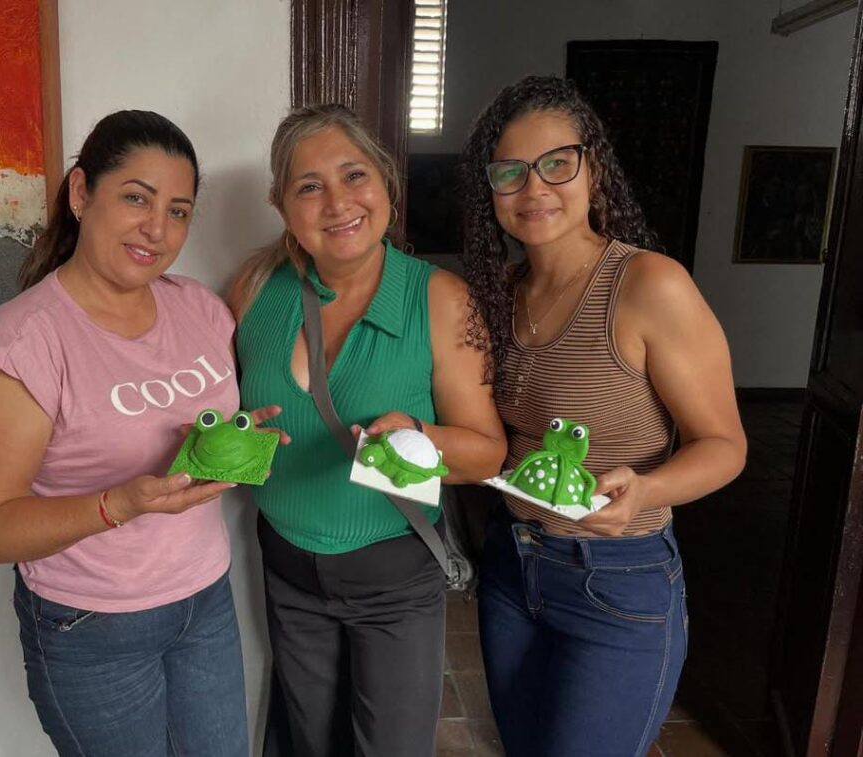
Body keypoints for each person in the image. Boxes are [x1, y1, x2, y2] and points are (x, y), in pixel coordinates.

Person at [0, 110, 273, 757]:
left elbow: (197, 431)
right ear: (80, 192)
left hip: (204, 598)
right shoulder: (21, 345)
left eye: (178, 211)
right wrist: (117, 504)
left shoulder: (201, 310)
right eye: (136, 199)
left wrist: (237, 439)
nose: (158, 229)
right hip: (92, 624)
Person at [460, 77, 747, 756]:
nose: (534, 188)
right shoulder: (499, 294)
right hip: (512, 568)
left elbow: (725, 444)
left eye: (556, 163)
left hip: (618, 579)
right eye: (510, 172)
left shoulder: (649, 284)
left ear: (594, 168)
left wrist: (647, 489)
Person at [227, 104, 507, 757]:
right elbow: (220, 416)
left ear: (386, 181)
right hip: (287, 570)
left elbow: (488, 452)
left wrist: (418, 435)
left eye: (354, 175)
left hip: (395, 577)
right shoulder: (252, 289)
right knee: (311, 742)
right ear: (280, 204)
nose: (337, 202)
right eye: (309, 186)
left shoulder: (439, 298)